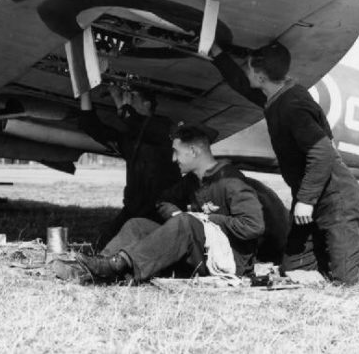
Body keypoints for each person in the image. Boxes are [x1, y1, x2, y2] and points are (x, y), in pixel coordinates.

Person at [210, 42, 359, 284]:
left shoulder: (292, 105)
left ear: (261, 76)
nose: (246, 72)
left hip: (336, 200)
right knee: (294, 268)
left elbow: (323, 152)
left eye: (248, 68)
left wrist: (305, 200)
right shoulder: (279, 94)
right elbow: (244, 87)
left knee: (348, 278)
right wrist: (217, 54)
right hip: (316, 200)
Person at [56, 124, 266, 284]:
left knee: (186, 222)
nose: (173, 159)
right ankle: (96, 266)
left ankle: (117, 265)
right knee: (137, 224)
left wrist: (204, 220)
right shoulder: (192, 181)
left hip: (229, 261)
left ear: (193, 151)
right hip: (202, 252)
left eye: (177, 152)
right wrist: (176, 214)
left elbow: (253, 226)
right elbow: (163, 200)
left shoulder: (230, 181)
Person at [78, 85, 182, 245]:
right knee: (103, 243)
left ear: (147, 104)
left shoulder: (164, 127)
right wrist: (85, 91)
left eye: (132, 97)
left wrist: (120, 101)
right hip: (134, 208)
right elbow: (91, 126)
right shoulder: (129, 138)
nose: (127, 100)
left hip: (162, 209)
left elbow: (141, 124)